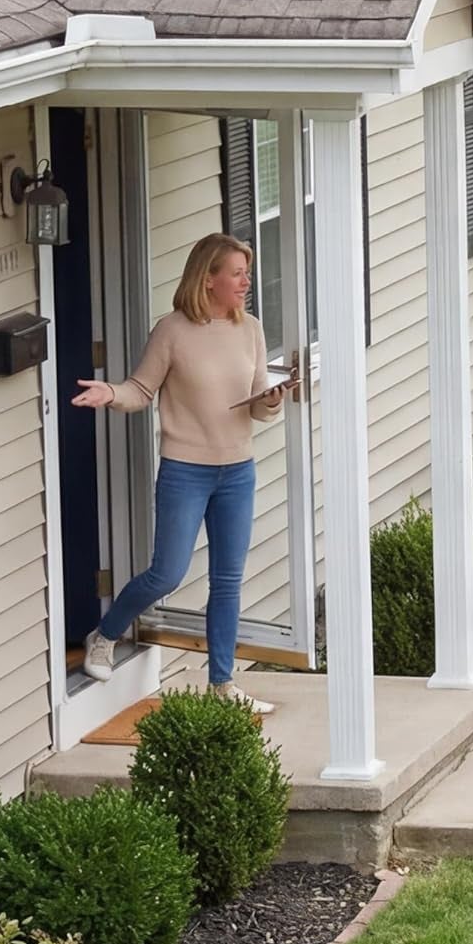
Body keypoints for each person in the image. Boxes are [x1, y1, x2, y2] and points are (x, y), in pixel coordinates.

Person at [71, 232, 290, 714]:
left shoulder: (249, 328)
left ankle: (222, 684)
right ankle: (104, 635)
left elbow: (257, 405)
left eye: (245, 273)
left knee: (227, 581)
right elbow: (139, 389)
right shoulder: (171, 330)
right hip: (186, 471)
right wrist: (110, 394)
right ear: (208, 278)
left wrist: (271, 401)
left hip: (238, 472)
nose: (246, 281)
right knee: (166, 573)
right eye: (237, 273)